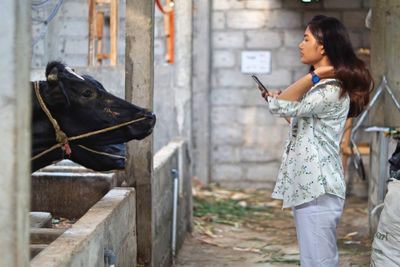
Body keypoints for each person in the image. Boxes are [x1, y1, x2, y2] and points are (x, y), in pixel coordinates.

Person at [260, 15, 373, 266]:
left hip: (319, 189)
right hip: (312, 187)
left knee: (319, 260)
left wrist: (316, 75)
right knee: (313, 259)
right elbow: (298, 121)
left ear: (322, 46)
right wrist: (279, 100)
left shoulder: (329, 89)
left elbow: (280, 106)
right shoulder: (323, 88)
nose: (300, 44)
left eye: (306, 38)